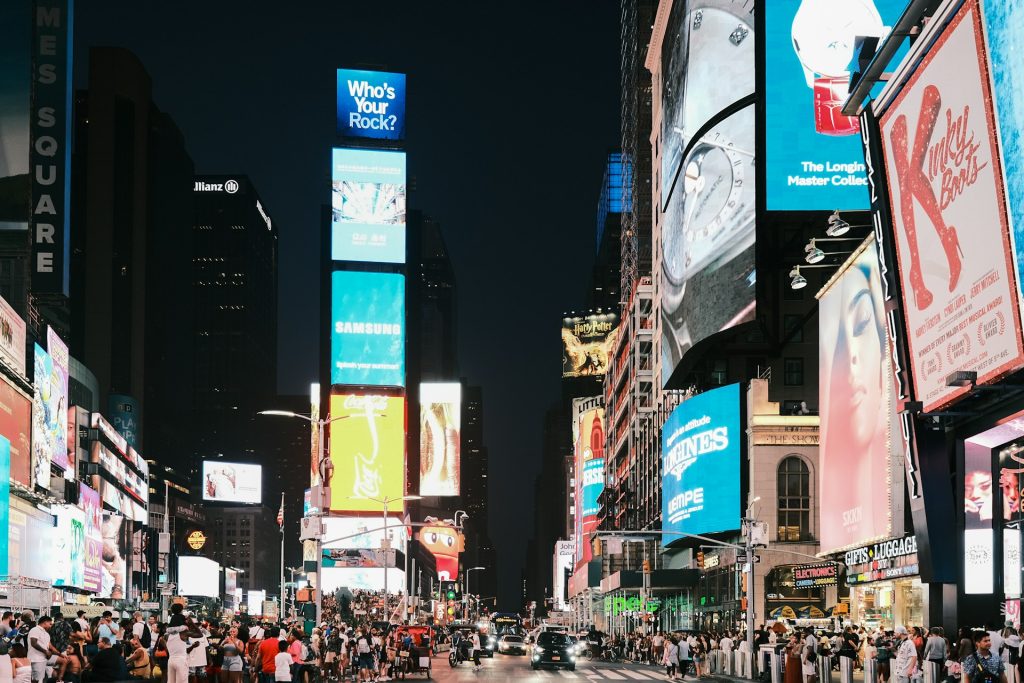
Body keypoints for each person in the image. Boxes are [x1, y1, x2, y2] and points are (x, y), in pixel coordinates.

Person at [27, 616, 58, 683]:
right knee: (37, 680)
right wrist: (46, 651)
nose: (51, 626)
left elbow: (50, 646)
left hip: (43, 659)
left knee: (40, 679)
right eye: (50, 624)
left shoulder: (46, 634)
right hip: (36, 659)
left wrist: (60, 655)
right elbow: (33, 643)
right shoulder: (35, 630)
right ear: (45, 622)